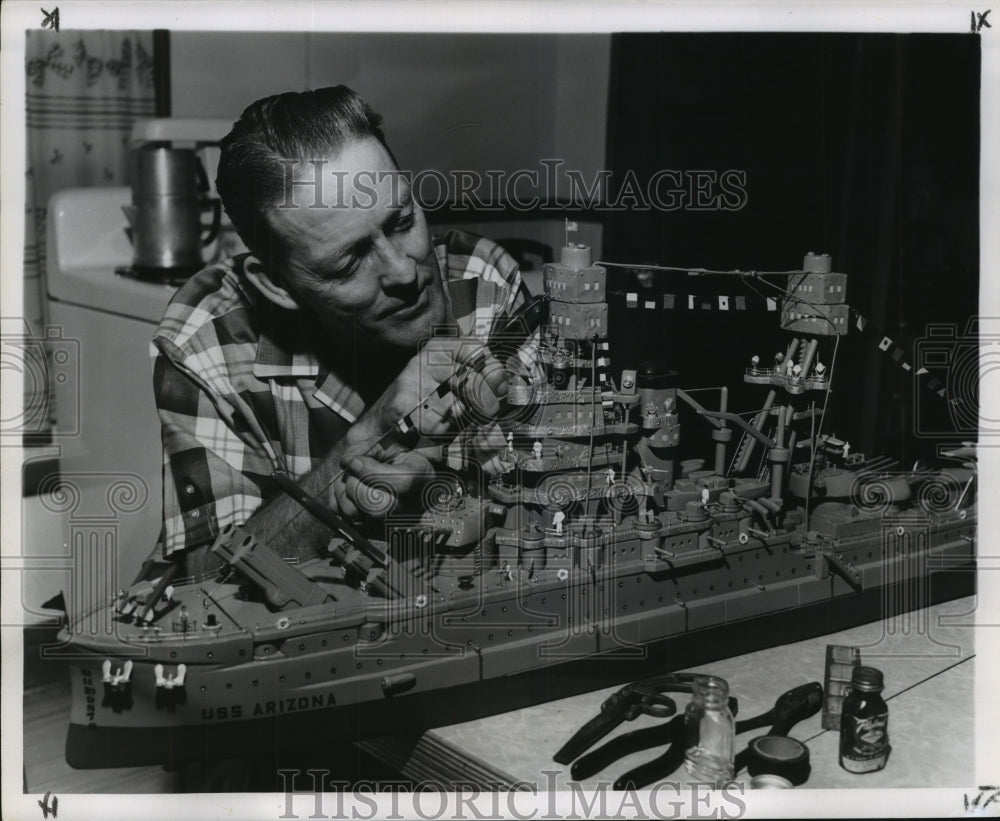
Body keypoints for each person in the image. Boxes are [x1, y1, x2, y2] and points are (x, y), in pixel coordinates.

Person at [151, 86, 533, 575]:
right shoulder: (206, 338)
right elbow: (206, 577)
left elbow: (538, 507)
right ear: (277, 286)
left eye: (401, 221)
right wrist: (363, 444)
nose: (402, 272)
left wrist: (446, 494)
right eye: (350, 261)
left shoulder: (485, 288)